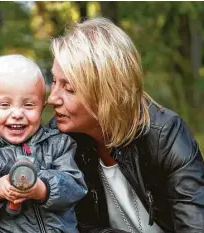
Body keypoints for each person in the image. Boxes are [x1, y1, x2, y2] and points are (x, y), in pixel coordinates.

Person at [47, 17, 204, 233]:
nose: (52, 98)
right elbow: (78, 225)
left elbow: (195, 225)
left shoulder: (165, 136)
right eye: (54, 81)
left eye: (69, 88)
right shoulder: (60, 140)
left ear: (106, 92)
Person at [0, 54, 87, 233]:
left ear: (41, 108)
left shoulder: (57, 144)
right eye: (5, 105)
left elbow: (75, 186)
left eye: (28, 105)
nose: (17, 113)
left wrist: (43, 187)